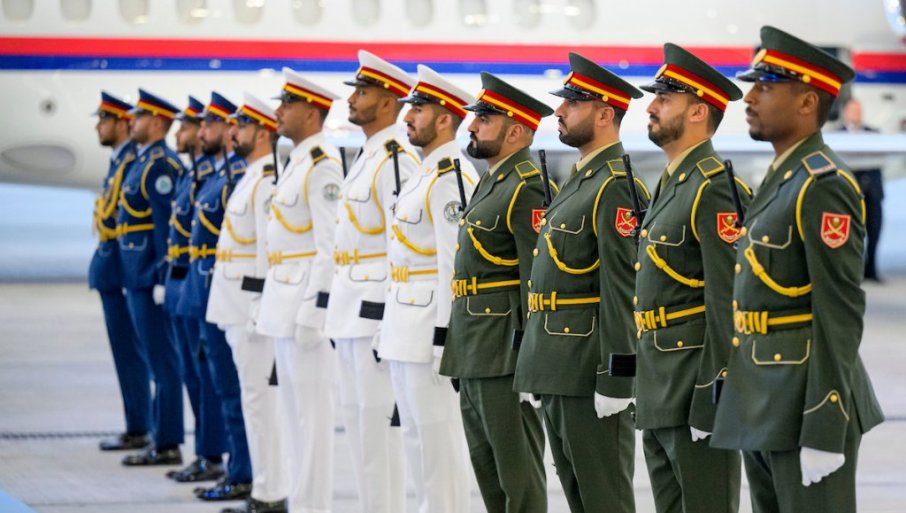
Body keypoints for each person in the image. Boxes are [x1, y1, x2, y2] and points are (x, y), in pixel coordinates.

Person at [711, 26, 885, 513]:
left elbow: (839, 312)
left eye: (765, 87)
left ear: (807, 102)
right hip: (762, 396)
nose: (749, 98)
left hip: (804, 403)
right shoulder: (783, 178)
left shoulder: (822, 184)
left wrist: (825, 425)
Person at [513, 54, 647, 513]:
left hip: (588, 368)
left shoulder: (615, 185)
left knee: (604, 497)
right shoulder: (581, 181)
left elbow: (622, 289)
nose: (559, 111)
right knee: (578, 496)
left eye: (573, 103)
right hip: (557, 363)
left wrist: (617, 378)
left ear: (605, 114)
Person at [632, 43, 750, 513]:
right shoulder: (673, 182)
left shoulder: (714, 186)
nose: (651, 107)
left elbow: (729, 301)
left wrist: (714, 394)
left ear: (699, 111)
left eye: (665, 99)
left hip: (692, 387)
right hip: (659, 383)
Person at [440, 71, 551, 513]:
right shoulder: (491, 181)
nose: (471, 125)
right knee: (489, 475)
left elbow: (535, 280)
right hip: (474, 346)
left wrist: (531, 360)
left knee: (518, 477)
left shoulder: (528, 186)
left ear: (516, 131)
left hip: (506, 353)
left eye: (484, 119)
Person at [378, 64, 478, 513]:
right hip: (404, 326)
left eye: (418, 109)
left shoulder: (451, 177)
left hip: (428, 333)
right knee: (416, 442)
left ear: (444, 119)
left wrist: (446, 339)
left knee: (439, 448)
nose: (407, 117)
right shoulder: (423, 173)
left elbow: (454, 266)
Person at [323, 50, 419, 513]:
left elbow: (403, 246)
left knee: (379, 431)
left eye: (362, 92)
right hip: (348, 307)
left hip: (373, 312)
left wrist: (387, 317)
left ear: (387, 103)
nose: (352, 99)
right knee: (360, 427)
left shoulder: (397, 160)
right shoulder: (369, 156)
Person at [254, 69, 344, 513]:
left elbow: (329, 248)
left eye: (287, 104)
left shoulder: (322, 163)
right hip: (283, 306)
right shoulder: (298, 160)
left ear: (311, 113)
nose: (278, 111)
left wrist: (315, 312)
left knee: (311, 425)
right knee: (293, 419)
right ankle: (299, 503)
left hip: (304, 311)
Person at [203, 92, 288, 513]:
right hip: (236, 309)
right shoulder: (251, 175)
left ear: (263, 132)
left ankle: (269, 494)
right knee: (253, 402)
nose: (232, 131)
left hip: (250, 312)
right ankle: (265, 489)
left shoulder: (267, 179)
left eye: (242, 125)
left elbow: (266, 254)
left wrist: (258, 308)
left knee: (261, 404)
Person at [181, 92, 254, 502]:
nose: (202, 131)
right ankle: (236, 468)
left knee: (232, 387)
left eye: (212, 124)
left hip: (224, 290)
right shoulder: (219, 176)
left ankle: (243, 472)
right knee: (221, 385)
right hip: (207, 288)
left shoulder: (239, 176)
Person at [116, 89, 186, 467]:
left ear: (157, 122)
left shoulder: (161, 166)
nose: (133, 122)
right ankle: (160, 436)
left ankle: (168, 441)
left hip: (148, 275)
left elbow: (164, 226)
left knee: (163, 362)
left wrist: (162, 275)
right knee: (156, 359)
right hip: (136, 274)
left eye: (140, 116)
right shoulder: (143, 161)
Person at [165, 95, 228, 483]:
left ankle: (213, 454)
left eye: (201, 125)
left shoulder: (218, 175)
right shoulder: (197, 174)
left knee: (209, 376)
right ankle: (206, 452)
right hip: (186, 278)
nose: (193, 133)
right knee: (193, 371)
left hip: (203, 278)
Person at [90, 92, 152, 452]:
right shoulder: (121, 161)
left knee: (133, 353)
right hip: (113, 268)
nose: (98, 127)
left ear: (122, 123)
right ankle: (136, 424)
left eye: (104, 119)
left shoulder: (132, 162)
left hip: (125, 268)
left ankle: (141, 426)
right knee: (125, 353)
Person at [840, 98, 885, 281]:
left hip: (873, 192)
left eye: (858, 110)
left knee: (874, 230)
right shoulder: (836, 135)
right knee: (849, 234)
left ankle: (871, 270)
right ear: (845, 113)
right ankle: (851, 272)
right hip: (848, 193)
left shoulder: (874, 134)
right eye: (853, 110)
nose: (856, 114)